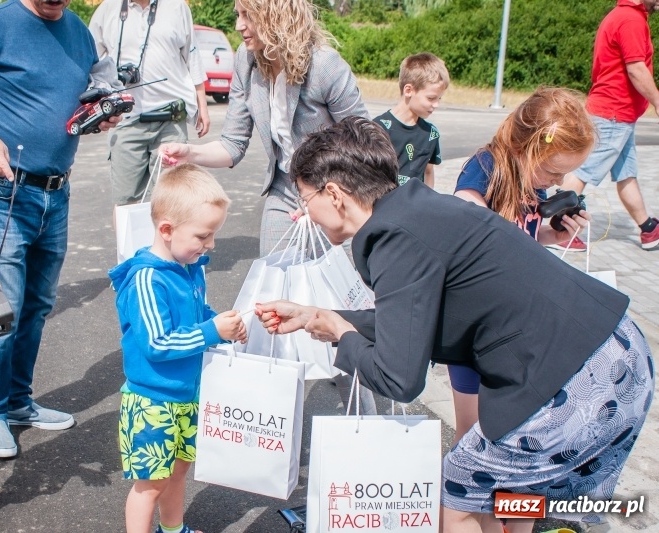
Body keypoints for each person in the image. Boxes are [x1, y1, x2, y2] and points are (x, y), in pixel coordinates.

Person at [255, 116, 654, 533]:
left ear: (333, 194)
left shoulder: (389, 238)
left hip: (573, 386)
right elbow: (408, 320)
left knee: (455, 497)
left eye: (305, 199)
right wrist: (320, 316)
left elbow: (398, 378)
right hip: (619, 355)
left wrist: (341, 335)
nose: (305, 212)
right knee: (511, 496)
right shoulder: (417, 208)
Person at [0, 0, 120, 458]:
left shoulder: (78, 33)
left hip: (56, 191)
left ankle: (16, 402)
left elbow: (85, 97)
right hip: (2, 190)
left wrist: (101, 114)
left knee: (37, 304)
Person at [160, 0, 368, 257]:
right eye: (238, 14)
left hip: (337, 190)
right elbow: (232, 144)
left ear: (276, 15)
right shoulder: (245, 62)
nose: (238, 25)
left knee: (336, 287)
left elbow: (364, 143)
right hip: (285, 189)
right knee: (273, 281)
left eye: (248, 15)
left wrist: (321, 197)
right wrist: (189, 153)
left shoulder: (324, 65)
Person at [449, 87, 595, 449]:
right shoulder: (487, 165)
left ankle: (486, 495)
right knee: (470, 431)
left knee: (500, 428)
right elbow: (462, 210)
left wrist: (552, 234)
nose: (558, 182)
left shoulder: (531, 183)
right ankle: (455, 500)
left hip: (508, 323)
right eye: (553, 170)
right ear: (526, 147)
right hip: (473, 325)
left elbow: (525, 234)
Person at [109, 163, 247, 533]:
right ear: (167, 230)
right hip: (152, 401)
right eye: (203, 236)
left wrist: (223, 326)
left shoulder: (190, 267)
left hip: (186, 394)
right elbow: (157, 343)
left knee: (178, 471)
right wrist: (212, 331)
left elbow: (197, 316)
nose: (211, 245)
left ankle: (174, 530)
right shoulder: (147, 280)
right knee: (150, 485)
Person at [89, 0, 209, 210]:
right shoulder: (107, 10)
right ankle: (127, 245)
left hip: (170, 118)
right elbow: (90, 61)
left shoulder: (177, 7)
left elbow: (192, 55)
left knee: (170, 201)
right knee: (126, 203)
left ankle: (164, 243)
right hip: (125, 119)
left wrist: (203, 105)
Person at [562, 0, 659, 251]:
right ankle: (560, 231)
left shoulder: (626, 16)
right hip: (612, 114)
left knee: (626, 174)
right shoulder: (630, 20)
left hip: (619, 115)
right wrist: (657, 101)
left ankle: (648, 229)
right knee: (581, 172)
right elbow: (636, 68)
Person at [372, 52, 449, 188]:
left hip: (415, 206)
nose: (436, 104)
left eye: (439, 98)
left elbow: (428, 172)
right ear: (408, 90)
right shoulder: (377, 128)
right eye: (431, 98)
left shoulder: (431, 133)